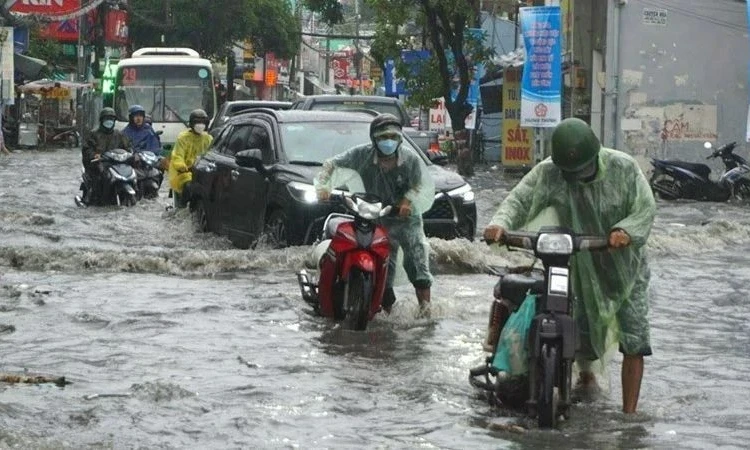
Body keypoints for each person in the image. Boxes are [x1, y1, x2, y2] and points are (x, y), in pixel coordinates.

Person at [483, 117, 656, 414]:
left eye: (583, 169)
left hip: (624, 266)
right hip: (578, 258)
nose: (577, 176)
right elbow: (520, 198)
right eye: (570, 172)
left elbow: (645, 206)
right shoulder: (550, 172)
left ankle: (630, 415)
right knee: (583, 320)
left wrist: (626, 231)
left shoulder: (624, 168)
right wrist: (499, 224)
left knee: (634, 336)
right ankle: (585, 377)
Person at [314, 113, 436, 313]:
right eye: (383, 137)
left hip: (406, 220)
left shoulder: (410, 160)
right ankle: (381, 307)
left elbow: (418, 185)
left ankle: (425, 310)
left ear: (400, 138)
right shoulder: (361, 155)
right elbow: (331, 164)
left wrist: (407, 201)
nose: (389, 142)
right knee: (384, 265)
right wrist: (323, 187)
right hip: (376, 217)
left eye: (393, 137)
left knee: (417, 263)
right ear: (374, 139)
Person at [79, 107, 131, 205]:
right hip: (98, 166)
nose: (109, 121)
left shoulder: (119, 135)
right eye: (107, 119)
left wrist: (130, 154)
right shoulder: (93, 134)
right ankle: (91, 200)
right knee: (99, 180)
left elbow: (127, 148)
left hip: (116, 165)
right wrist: (94, 155)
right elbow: (86, 150)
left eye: (111, 119)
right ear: (102, 120)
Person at [168, 109, 212, 208]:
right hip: (184, 173)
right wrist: (182, 166)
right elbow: (177, 155)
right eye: (198, 122)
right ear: (192, 123)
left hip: (201, 172)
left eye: (202, 122)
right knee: (189, 186)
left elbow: (211, 154)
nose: (200, 125)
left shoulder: (208, 139)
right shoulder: (183, 138)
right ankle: (182, 208)